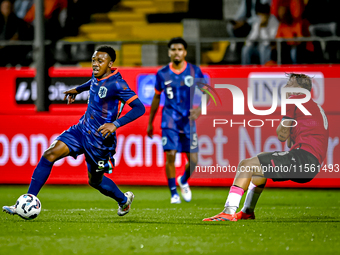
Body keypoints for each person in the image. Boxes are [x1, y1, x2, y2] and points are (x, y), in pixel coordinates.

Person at [3, 45, 145, 217]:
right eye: (93, 60)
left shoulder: (117, 83)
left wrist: (115, 124)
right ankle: (27, 200)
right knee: (49, 154)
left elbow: (139, 108)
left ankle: (123, 200)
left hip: (100, 141)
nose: (95, 64)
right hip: (81, 130)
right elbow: (92, 82)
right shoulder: (97, 75)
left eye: (100, 61)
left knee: (95, 181)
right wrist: (77, 90)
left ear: (110, 64)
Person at [203, 73, 329, 221]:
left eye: (290, 84)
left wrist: (283, 125)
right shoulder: (314, 106)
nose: (285, 87)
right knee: (259, 165)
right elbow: (291, 141)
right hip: (310, 164)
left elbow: (282, 135)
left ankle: (228, 211)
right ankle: (247, 211)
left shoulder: (295, 99)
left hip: (303, 158)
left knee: (246, 165)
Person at [147, 37, 206, 204]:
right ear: (169, 52)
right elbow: (157, 98)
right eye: (173, 49)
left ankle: (183, 180)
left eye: (180, 49)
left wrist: (200, 109)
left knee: (194, 161)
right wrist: (150, 122)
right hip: (169, 119)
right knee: (170, 155)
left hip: (187, 120)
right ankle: (174, 193)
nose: (176, 52)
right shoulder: (162, 73)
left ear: (185, 52)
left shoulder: (194, 71)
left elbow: (206, 93)